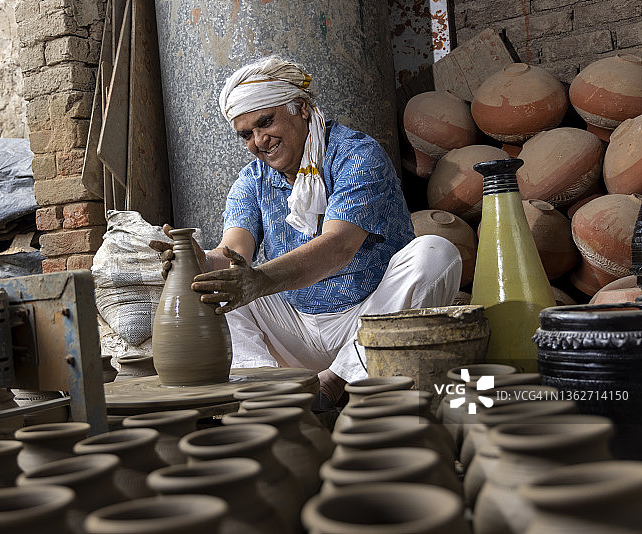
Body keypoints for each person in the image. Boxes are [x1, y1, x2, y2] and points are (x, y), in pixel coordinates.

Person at [152, 56, 461, 408]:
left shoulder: (355, 155)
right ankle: (269, 396)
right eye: (246, 134)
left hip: (370, 324)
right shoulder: (252, 180)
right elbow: (233, 255)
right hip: (296, 330)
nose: (259, 140)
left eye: (265, 122)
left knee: (436, 253)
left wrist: (261, 279)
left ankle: (337, 381)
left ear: (300, 108)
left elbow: (338, 246)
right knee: (215, 288)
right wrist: (198, 261)